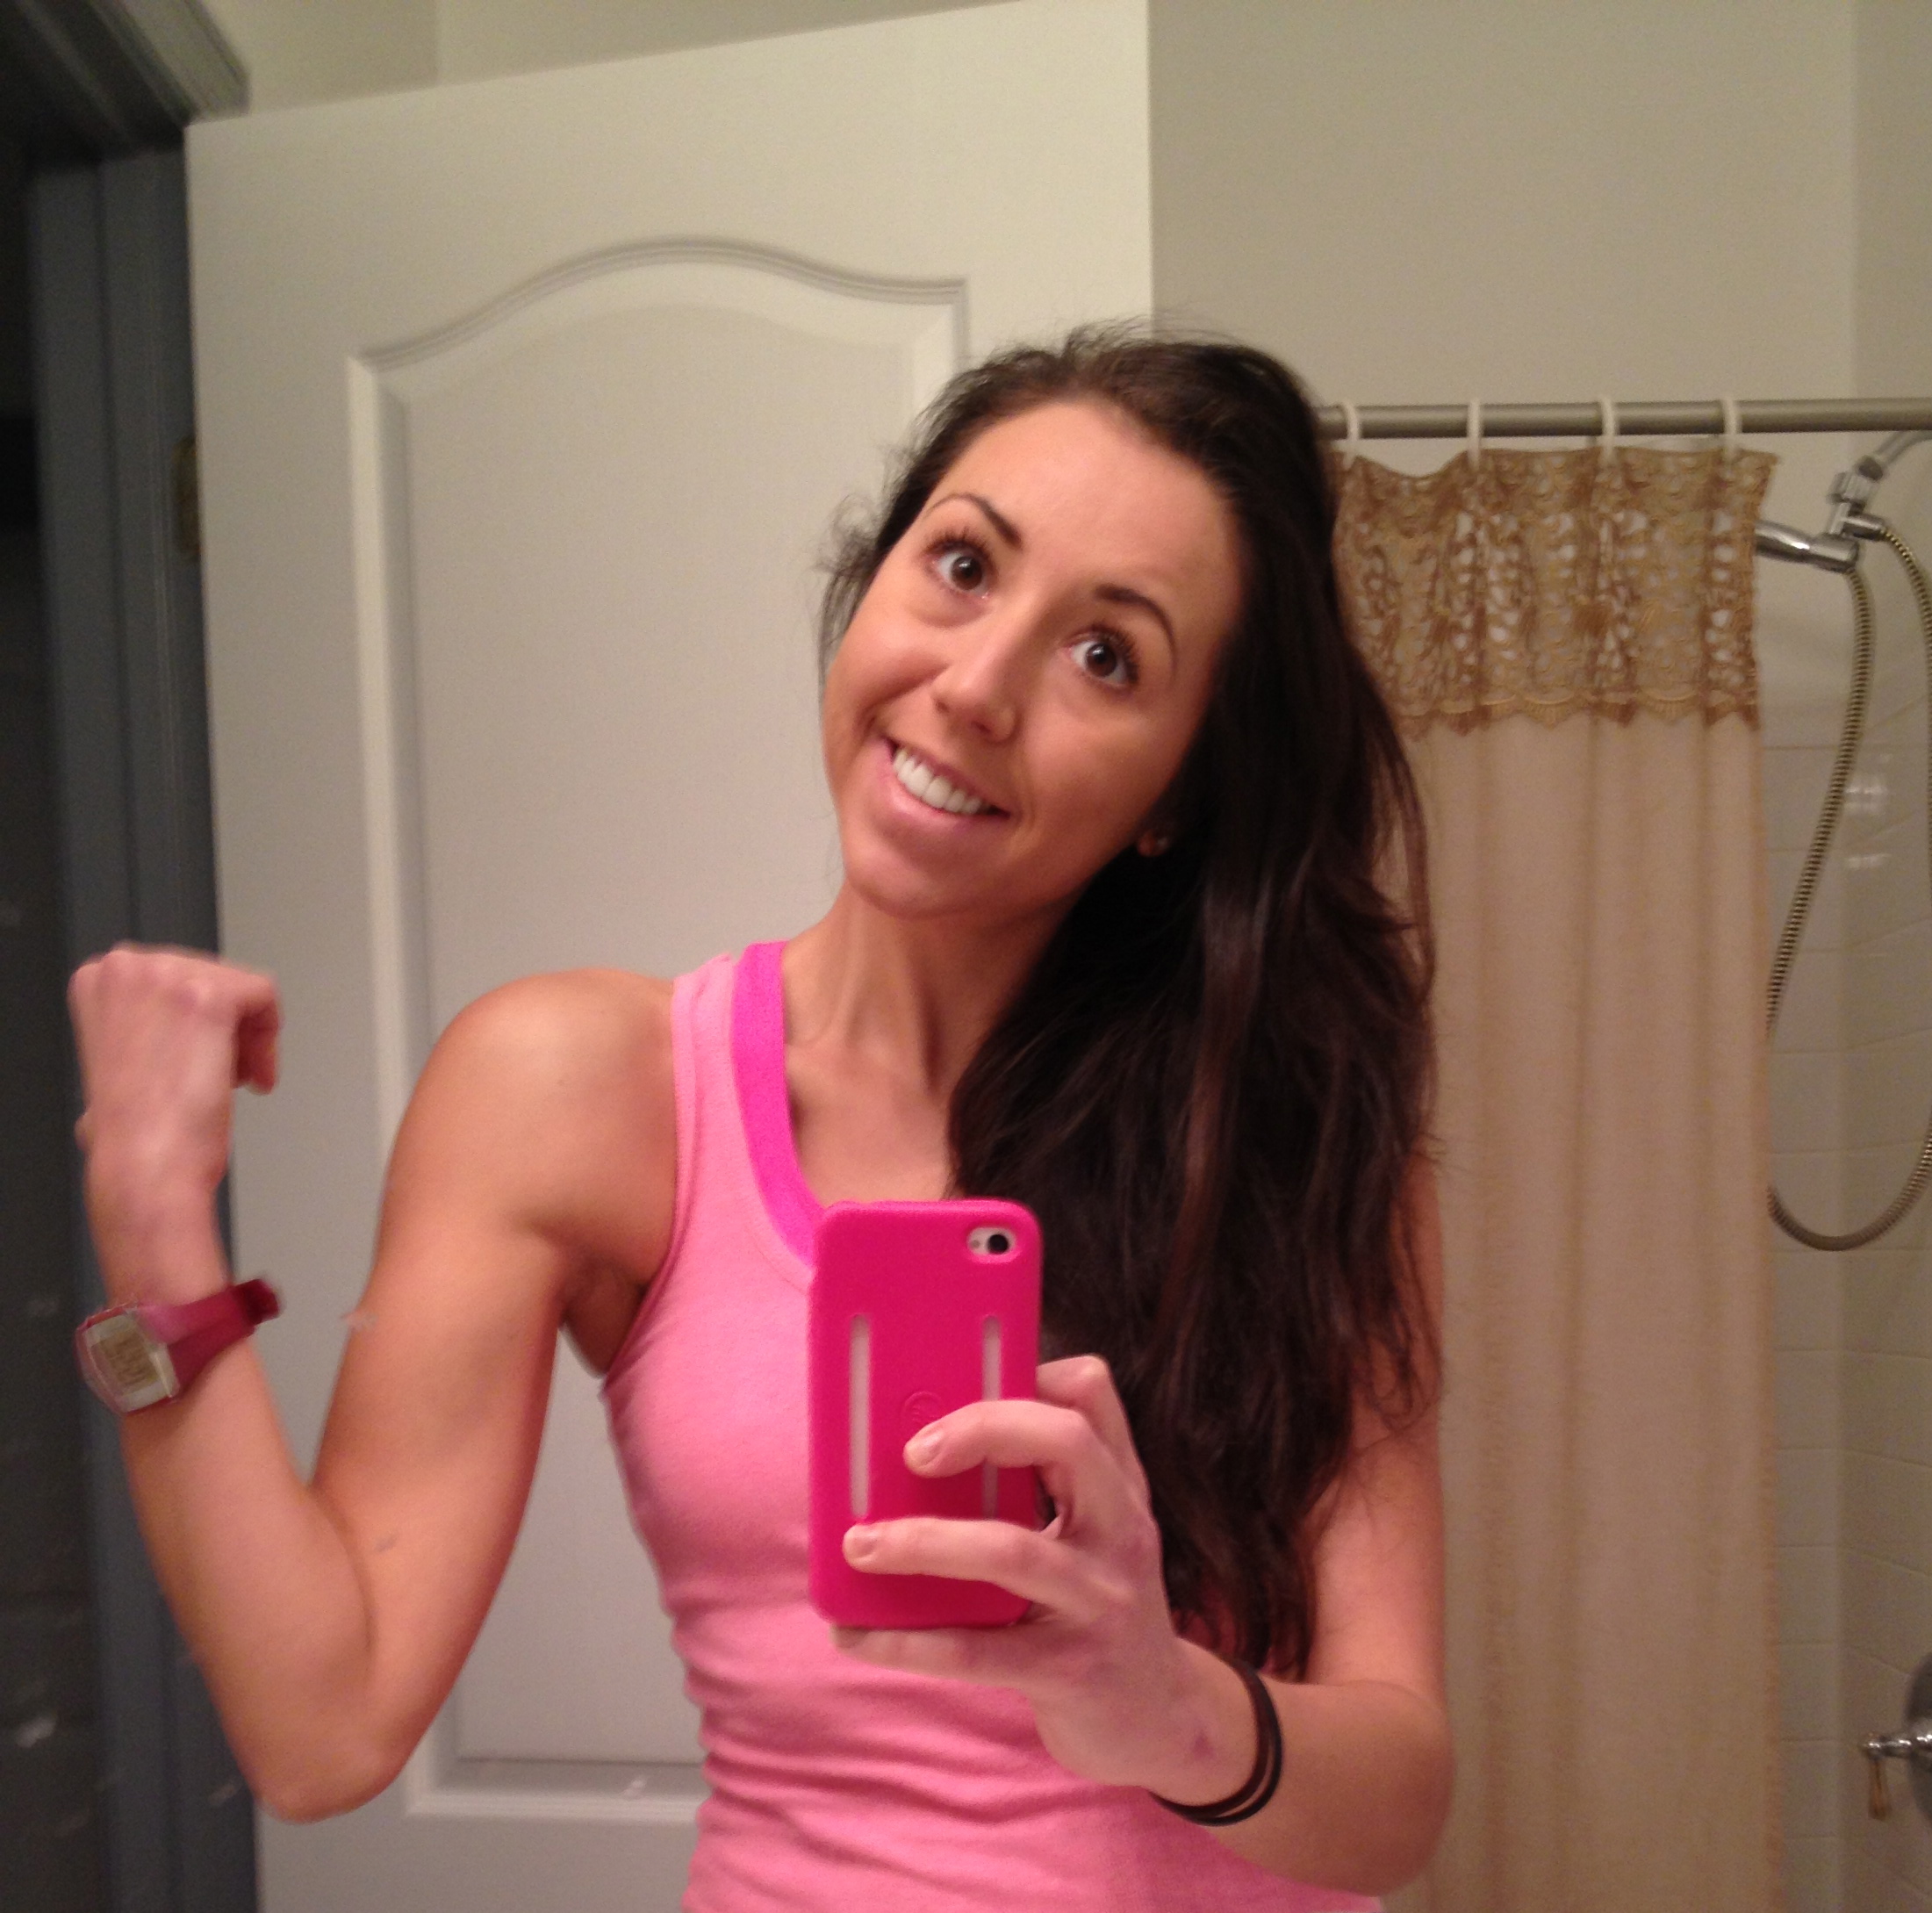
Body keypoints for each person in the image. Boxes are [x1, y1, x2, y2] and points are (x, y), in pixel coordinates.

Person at [68, 327, 1450, 1911]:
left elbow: (1398, 1799)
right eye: (961, 566)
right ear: (871, 583)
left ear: (1178, 795)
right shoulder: (580, 1091)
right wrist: (151, 1218)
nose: (976, 686)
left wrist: (1165, 1706)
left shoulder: (1291, 1144)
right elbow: (323, 1726)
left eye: (1104, 656)